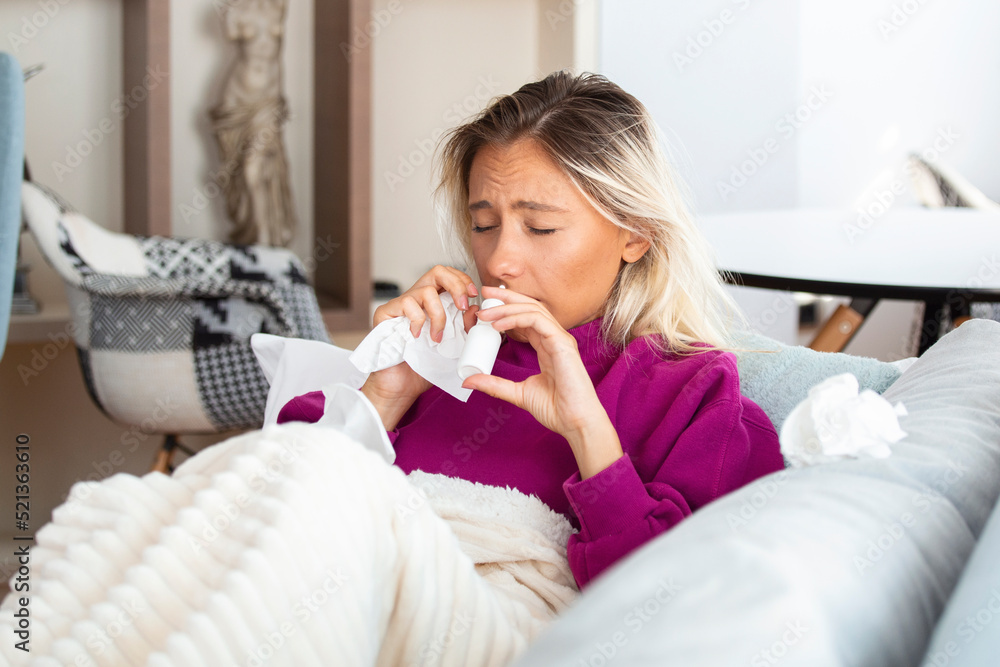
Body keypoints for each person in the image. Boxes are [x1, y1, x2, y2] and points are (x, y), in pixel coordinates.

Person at [279, 70, 785, 589]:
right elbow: (274, 524)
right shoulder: (431, 355)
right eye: (483, 225)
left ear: (636, 235)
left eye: (540, 228)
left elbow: (672, 607)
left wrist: (588, 433)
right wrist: (382, 396)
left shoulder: (694, 393)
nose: (499, 262)